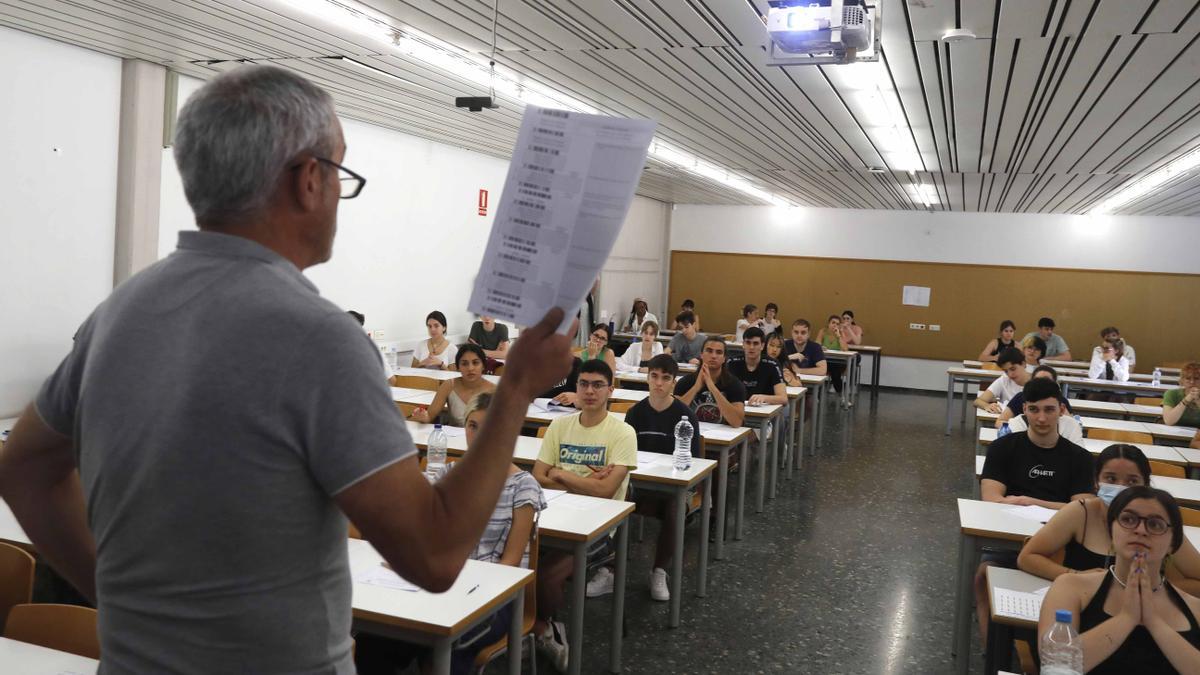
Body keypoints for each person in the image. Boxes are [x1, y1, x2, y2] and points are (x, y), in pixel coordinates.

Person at [0, 65, 576, 673]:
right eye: (340, 173)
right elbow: (434, 557)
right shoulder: (319, 338)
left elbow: (22, 471)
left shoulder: (116, 314)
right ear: (308, 180)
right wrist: (514, 389)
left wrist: (119, 598)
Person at [356, 393, 547, 675]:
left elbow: (510, 565)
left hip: (493, 598)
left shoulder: (523, 487)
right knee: (374, 641)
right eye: (472, 426)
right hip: (442, 587)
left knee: (450, 646)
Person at [531, 360, 637, 669]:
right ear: (575, 389)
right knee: (515, 565)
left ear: (610, 390)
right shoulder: (560, 425)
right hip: (555, 514)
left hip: (601, 529)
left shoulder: (623, 432)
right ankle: (540, 628)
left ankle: (546, 628)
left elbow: (606, 493)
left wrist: (561, 474)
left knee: (548, 574)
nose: (589, 391)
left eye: (597, 385)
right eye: (583, 384)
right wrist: (585, 482)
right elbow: (538, 475)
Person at [975, 376, 1095, 641]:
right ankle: (992, 651)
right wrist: (1060, 508)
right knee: (983, 576)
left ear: (1062, 410)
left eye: (1049, 410)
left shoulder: (1080, 459)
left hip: (1062, 547)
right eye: (1034, 410)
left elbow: (1084, 510)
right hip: (1009, 539)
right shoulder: (1002, 448)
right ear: (1024, 410)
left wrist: (1030, 501)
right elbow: (991, 498)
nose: (1041, 418)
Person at [1037, 487, 1200, 673]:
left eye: (1155, 525)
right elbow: (1054, 665)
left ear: (1173, 543)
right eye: (1128, 520)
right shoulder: (1070, 587)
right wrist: (1126, 618)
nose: (1140, 530)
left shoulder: (1195, 608)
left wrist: (1154, 622)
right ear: (1111, 531)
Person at [1019, 444, 1200, 596]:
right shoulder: (1080, 512)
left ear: (1146, 485)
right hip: (1083, 602)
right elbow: (1027, 557)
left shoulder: (1161, 523)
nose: (1121, 488)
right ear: (1097, 481)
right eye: (1111, 478)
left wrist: (1152, 589)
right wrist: (1076, 576)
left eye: (1132, 481)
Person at [622, 355, 701, 602]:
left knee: (676, 507)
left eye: (665, 378)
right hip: (639, 485)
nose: (659, 383)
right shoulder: (635, 413)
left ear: (673, 383)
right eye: (654, 376)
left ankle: (659, 570)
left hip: (671, 489)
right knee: (614, 496)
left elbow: (695, 463)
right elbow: (624, 456)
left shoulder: (685, 416)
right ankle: (610, 568)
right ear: (647, 378)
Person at [410, 344, 496, 426]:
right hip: (453, 440)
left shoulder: (493, 390)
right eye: (464, 364)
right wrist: (423, 416)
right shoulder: (449, 385)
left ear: (483, 366)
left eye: (475, 363)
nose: (470, 368)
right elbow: (429, 416)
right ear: (458, 367)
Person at [674, 336, 747, 427]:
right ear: (701, 354)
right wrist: (695, 388)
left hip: (722, 437)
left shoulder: (735, 385)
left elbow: (737, 422)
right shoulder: (685, 382)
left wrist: (712, 387)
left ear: (724, 358)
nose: (713, 356)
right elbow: (673, 415)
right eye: (709, 351)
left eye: (719, 352)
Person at [726, 327, 787, 406]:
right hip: (736, 410)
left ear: (762, 346)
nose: (751, 347)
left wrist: (764, 398)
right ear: (743, 344)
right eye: (748, 343)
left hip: (764, 412)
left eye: (755, 343)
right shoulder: (731, 363)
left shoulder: (773, 364)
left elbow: (783, 398)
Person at [997, 364, 1076, 425]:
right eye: (1038, 380)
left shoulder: (1060, 400)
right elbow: (1000, 421)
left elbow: (1072, 425)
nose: (1041, 384)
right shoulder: (1021, 397)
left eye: (1046, 380)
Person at [973, 348, 1031, 413]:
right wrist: (987, 405)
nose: (1010, 374)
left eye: (1013, 369)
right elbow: (977, 401)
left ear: (1023, 364)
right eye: (1006, 371)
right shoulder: (1004, 380)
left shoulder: (1036, 382)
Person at [816, 315, 850, 397]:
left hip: (839, 361)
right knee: (819, 370)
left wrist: (838, 336)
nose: (835, 325)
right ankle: (817, 396)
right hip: (826, 360)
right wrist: (821, 347)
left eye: (837, 324)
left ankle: (841, 396)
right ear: (828, 323)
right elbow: (817, 344)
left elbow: (845, 349)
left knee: (835, 372)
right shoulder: (823, 331)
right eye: (833, 323)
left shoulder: (841, 333)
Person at [1162, 363, 1200, 427]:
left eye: (1196, 378)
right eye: (1188, 378)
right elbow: (1169, 421)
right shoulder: (1171, 394)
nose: (1192, 382)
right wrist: (1186, 400)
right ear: (1182, 381)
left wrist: (1198, 401)